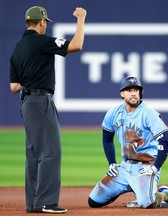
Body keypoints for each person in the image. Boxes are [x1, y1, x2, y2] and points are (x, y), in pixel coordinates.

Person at [9, 6, 87, 214]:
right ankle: (45, 202)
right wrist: (81, 19)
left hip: (26, 102)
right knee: (51, 151)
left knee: (34, 154)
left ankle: (33, 203)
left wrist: (31, 77)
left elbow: (14, 87)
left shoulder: (18, 48)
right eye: (45, 23)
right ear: (42, 22)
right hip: (40, 101)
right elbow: (76, 45)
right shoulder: (42, 42)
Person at [88, 76, 168, 209]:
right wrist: (111, 163)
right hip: (124, 168)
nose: (133, 93)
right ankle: (137, 188)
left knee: (148, 203)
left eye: (136, 90)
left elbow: (166, 140)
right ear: (122, 94)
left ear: (140, 93)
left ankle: (167, 195)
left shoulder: (148, 113)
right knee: (94, 201)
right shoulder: (113, 113)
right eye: (129, 90)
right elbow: (107, 139)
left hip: (145, 167)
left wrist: (155, 167)